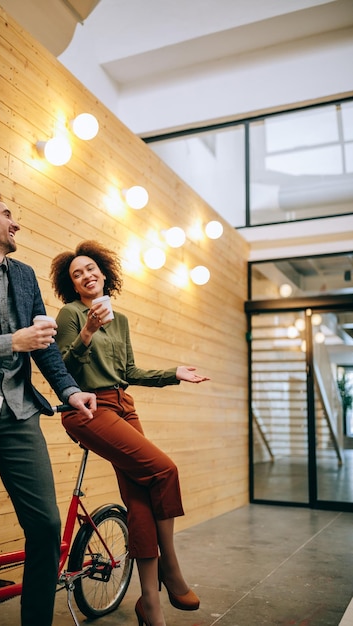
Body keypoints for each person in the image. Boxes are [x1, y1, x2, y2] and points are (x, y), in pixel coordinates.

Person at [0, 191, 96, 626]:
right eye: (7, 214)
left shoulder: (24, 276)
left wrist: (70, 391)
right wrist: (10, 343)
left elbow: (43, 346)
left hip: (19, 412)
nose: (16, 223)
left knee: (45, 526)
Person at [50, 240, 210, 626]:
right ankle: (171, 570)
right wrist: (87, 330)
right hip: (88, 408)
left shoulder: (119, 320)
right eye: (77, 274)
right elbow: (63, 368)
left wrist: (174, 374)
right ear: (72, 285)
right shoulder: (70, 314)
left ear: (104, 273)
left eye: (91, 269)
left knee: (140, 499)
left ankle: (149, 604)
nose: (86, 275)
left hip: (123, 407)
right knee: (165, 470)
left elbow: (130, 373)